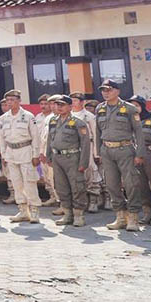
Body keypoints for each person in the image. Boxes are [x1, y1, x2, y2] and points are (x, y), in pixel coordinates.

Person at [95, 80, 143, 232]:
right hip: (107, 150)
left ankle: (133, 217)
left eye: (108, 90)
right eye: (103, 90)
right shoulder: (100, 108)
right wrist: (99, 152)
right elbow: (98, 132)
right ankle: (120, 217)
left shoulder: (129, 108)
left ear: (117, 91)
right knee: (112, 184)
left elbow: (139, 132)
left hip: (125, 149)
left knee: (130, 184)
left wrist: (140, 153)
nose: (105, 93)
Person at [0, 89, 42, 223]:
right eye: (8, 100)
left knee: (29, 182)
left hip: (26, 151)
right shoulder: (3, 118)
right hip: (11, 153)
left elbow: (35, 137)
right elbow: (1, 138)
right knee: (16, 183)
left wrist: (35, 154)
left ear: (19, 101)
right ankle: (23, 210)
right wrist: (4, 155)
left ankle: (34, 210)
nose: (10, 103)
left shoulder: (28, 116)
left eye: (13, 100)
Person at [47, 95, 90, 227]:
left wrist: (83, 163)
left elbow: (85, 144)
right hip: (57, 158)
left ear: (70, 107)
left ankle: (78, 215)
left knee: (77, 187)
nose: (59, 107)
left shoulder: (78, 123)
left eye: (62, 105)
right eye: (57, 104)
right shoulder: (53, 121)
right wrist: (49, 156)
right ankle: (67, 214)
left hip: (72, 158)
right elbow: (50, 140)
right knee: (61, 187)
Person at [129, 95, 151, 226]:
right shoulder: (130, 122)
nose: (135, 109)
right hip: (135, 155)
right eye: (132, 106)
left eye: (136, 105)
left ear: (142, 106)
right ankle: (147, 212)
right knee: (141, 185)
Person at [70, 93, 102, 213]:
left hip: (88, 146)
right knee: (76, 175)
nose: (73, 103)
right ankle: (80, 202)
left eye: (75, 100)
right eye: (71, 100)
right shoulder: (68, 116)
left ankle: (93, 200)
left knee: (91, 172)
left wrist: (96, 154)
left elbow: (95, 134)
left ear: (82, 102)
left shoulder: (89, 116)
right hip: (73, 148)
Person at [34, 94, 58, 206]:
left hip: (53, 152)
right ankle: (52, 196)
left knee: (55, 177)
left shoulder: (57, 117)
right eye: (42, 104)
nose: (44, 106)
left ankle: (61, 201)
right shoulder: (38, 118)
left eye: (47, 104)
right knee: (46, 176)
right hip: (42, 150)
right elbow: (40, 137)